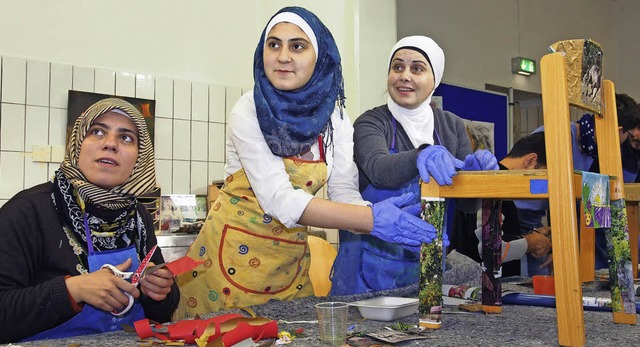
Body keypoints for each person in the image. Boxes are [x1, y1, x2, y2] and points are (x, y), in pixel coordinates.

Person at [173, 7, 438, 319]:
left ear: (319, 57)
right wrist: (372, 220)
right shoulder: (248, 110)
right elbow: (279, 199)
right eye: (274, 45)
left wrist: (377, 213)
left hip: (288, 264)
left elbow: (343, 191)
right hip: (226, 261)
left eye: (297, 46)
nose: (283, 56)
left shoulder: (336, 119)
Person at [330, 35, 498, 295]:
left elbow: (468, 205)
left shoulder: (450, 125)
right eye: (397, 67)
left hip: (427, 267)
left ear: (435, 79)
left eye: (417, 68)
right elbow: (379, 170)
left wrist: (475, 178)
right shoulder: (372, 122)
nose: (404, 76)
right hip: (367, 270)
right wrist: (421, 155)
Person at [0, 98, 179, 343]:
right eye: (97, 132)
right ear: (77, 144)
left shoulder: (138, 215)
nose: (110, 144)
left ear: (140, 159)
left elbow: (161, 312)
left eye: (126, 137)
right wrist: (73, 290)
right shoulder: (28, 210)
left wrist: (158, 291)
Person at [516, 93, 640, 274]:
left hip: (540, 228)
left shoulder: (593, 152)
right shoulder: (556, 136)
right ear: (618, 129)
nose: (624, 142)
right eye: (628, 135)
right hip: (514, 223)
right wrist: (556, 244)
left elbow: (595, 216)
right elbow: (536, 186)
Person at [453, 132, 552, 277]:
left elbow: (485, 234)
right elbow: (489, 249)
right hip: (477, 288)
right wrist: (531, 242)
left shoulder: (501, 185)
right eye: (544, 175)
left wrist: (531, 236)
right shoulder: (493, 183)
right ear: (531, 161)